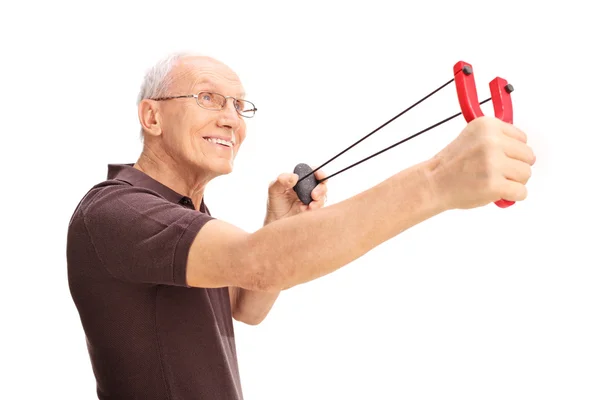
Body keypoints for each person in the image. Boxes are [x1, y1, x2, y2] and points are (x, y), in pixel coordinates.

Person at [66, 52, 536, 399]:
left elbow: (247, 306)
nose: (230, 119)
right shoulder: (120, 212)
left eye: (239, 106)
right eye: (208, 98)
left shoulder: (186, 215)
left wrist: (275, 226)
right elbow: (257, 262)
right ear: (152, 116)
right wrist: (437, 181)